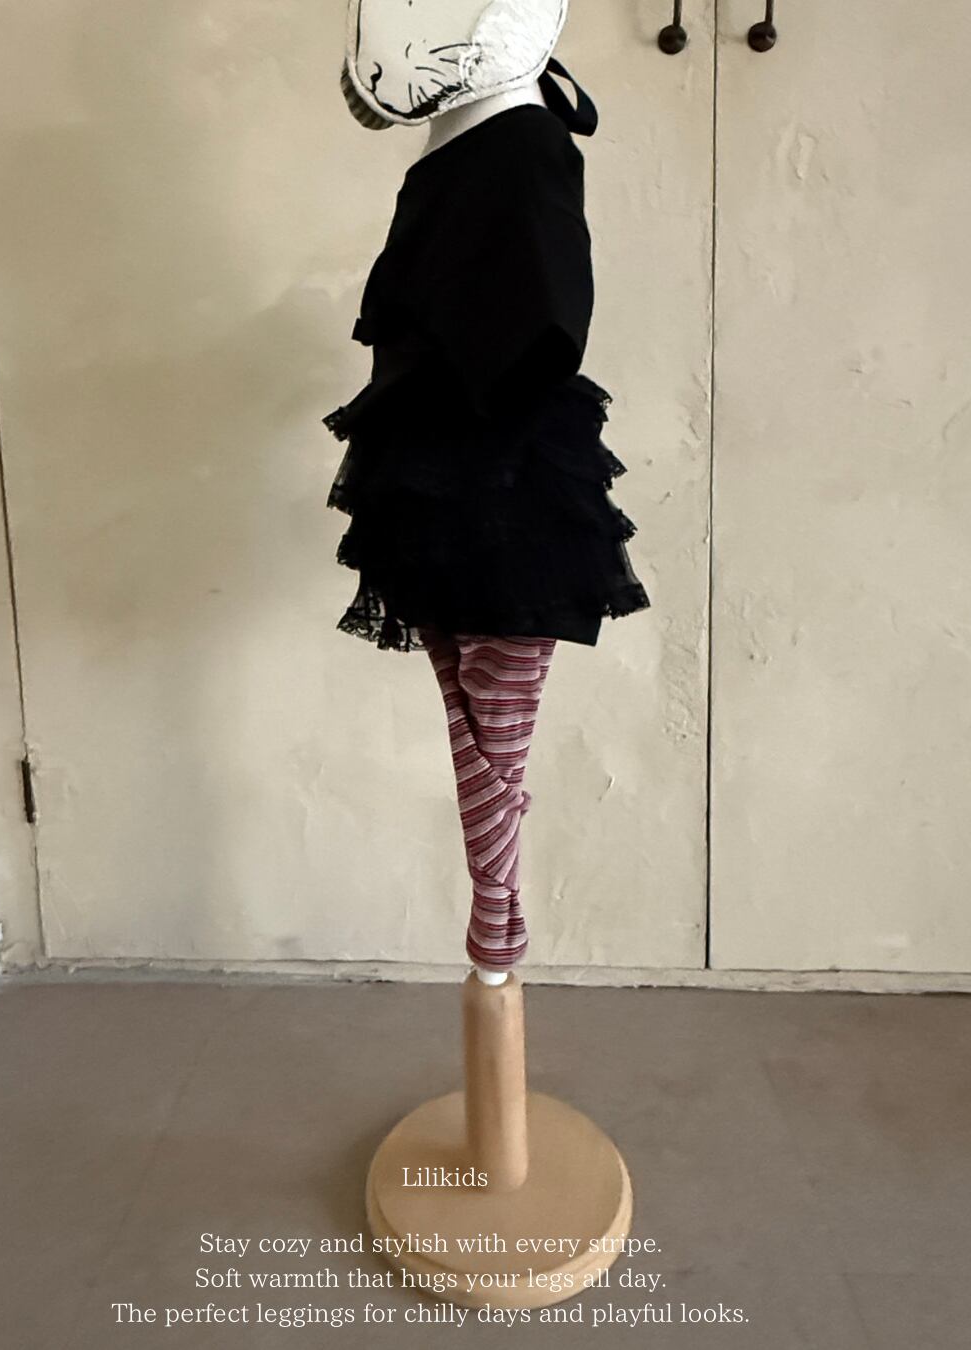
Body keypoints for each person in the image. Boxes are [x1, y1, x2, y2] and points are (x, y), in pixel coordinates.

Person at [324, 2, 651, 976]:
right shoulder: (460, 144)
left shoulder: (524, 140)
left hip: (498, 484)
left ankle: (496, 940)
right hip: (444, 476)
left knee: (491, 732)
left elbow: (548, 324)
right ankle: (494, 940)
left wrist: (458, 402)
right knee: (475, 724)